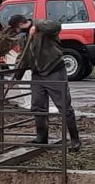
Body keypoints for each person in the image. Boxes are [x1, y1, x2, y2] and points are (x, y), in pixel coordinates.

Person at [13, 19, 80, 151]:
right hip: (37, 74)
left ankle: (75, 140)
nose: (16, 31)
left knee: (64, 107)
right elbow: (24, 57)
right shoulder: (24, 38)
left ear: (21, 24)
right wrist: (17, 76)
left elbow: (57, 25)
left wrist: (37, 26)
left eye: (16, 28)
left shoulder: (45, 29)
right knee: (38, 106)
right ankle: (41, 137)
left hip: (54, 71)